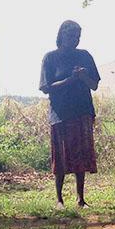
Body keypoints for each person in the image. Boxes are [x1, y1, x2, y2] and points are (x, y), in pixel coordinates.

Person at [39, 20, 100, 208]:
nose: (74, 39)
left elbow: (94, 85)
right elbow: (46, 87)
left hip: (82, 111)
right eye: (71, 36)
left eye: (77, 36)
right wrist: (70, 79)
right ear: (61, 35)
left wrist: (82, 76)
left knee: (80, 156)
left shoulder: (85, 56)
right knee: (61, 158)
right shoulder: (51, 58)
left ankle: (80, 199)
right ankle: (59, 199)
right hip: (61, 113)